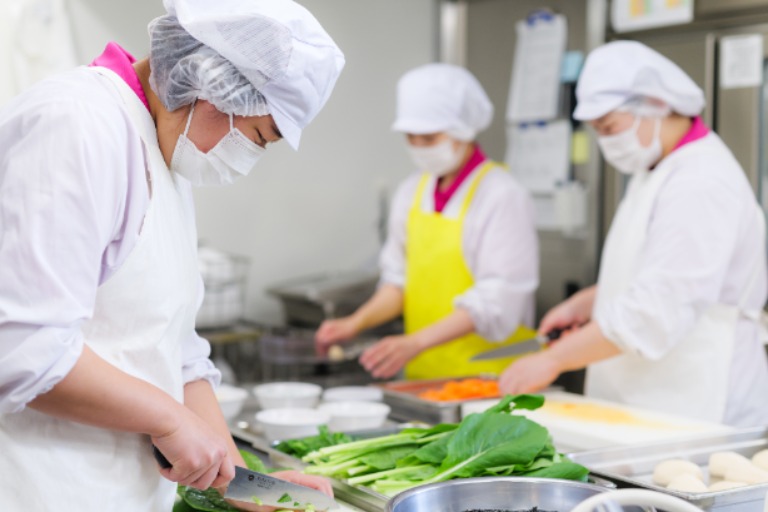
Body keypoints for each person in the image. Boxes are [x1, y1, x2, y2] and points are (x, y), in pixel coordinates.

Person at [0, 0, 344, 510]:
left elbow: (175, 351)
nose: (248, 158)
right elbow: (22, 347)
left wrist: (247, 485)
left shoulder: (161, 151)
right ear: (214, 87)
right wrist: (169, 419)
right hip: (43, 490)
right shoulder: (77, 123)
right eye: (258, 137)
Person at [499, 41, 768, 427]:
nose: (606, 143)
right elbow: (662, 270)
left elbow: (657, 309)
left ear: (656, 105)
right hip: (652, 397)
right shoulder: (658, 169)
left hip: (700, 400)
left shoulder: (701, 182)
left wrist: (552, 359)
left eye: (609, 128)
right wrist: (588, 302)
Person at [315, 63, 539, 380]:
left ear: (463, 131)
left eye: (430, 138)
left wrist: (415, 342)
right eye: (411, 137)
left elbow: (497, 301)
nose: (419, 147)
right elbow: (398, 283)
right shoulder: (412, 191)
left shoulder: (502, 196)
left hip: (493, 379)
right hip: (426, 378)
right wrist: (355, 323)